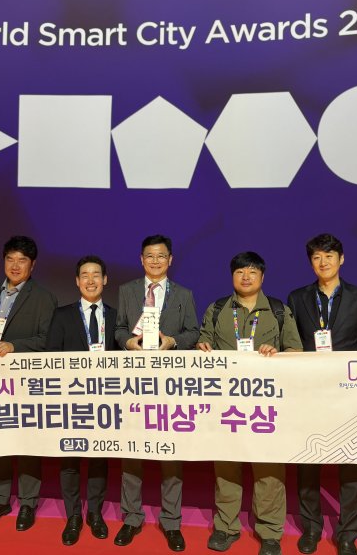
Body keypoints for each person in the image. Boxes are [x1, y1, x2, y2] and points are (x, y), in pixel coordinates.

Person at [197, 251, 302, 555]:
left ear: (262, 277)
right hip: (226, 403)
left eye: (252, 272)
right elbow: (203, 344)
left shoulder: (279, 311)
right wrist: (202, 347)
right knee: (226, 467)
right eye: (240, 271)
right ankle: (225, 527)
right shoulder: (217, 309)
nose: (246, 277)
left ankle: (269, 532)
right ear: (232, 276)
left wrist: (278, 353)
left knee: (269, 469)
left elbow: (296, 351)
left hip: (265, 406)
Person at [286, 234, 357, 555]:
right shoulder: (297, 298)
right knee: (308, 462)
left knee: (350, 465)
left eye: (329, 256)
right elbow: (292, 343)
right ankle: (311, 528)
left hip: (348, 396)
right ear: (311, 262)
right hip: (309, 393)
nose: (323, 262)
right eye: (317, 257)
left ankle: (347, 534)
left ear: (341, 259)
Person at [113, 234, 200, 552]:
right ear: (141, 259)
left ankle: (172, 522)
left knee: (169, 452)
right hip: (134, 383)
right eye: (149, 255)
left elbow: (193, 332)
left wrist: (172, 342)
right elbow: (119, 328)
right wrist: (128, 342)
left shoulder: (184, 294)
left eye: (161, 256)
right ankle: (132, 517)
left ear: (170, 260)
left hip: (169, 384)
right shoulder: (127, 291)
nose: (155, 261)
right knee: (132, 450)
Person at [0, 235, 57, 531]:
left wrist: (15, 346)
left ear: (32, 265)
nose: (15, 265)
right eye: (10, 259)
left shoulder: (43, 297)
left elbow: (47, 341)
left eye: (22, 260)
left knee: (25, 443)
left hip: (24, 383)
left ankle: (27, 502)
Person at [46, 255, 119, 546]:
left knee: (99, 457)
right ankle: (73, 515)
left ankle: (96, 514)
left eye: (96, 275)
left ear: (105, 280)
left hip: (104, 401)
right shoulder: (62, 315)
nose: (91, 280)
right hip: (70, 400)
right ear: (77, 281)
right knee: (70, 459)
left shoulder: (117, 317)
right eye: (85, 275)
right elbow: (51, 357)